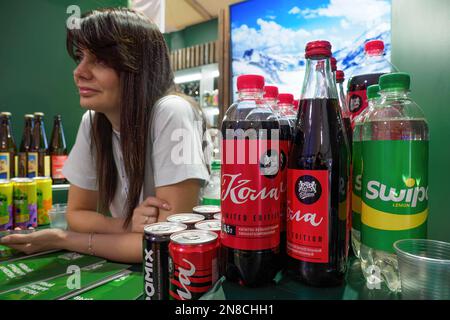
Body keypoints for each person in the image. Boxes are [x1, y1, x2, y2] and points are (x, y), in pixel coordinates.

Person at [0, 8, 209, 263]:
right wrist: (127, 224)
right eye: (80, 57)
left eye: (100, 60)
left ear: (137, 67)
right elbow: (77, 214)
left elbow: (165, 245)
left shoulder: (172, 111)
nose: (79, 72)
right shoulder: (93, 122)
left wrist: (64, 239)